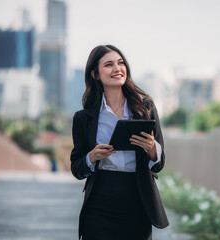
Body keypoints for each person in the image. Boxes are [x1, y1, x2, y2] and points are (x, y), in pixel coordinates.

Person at [70, 45, 169, 240]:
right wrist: (92, 157)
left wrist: (151, 149)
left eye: (120, 63)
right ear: (95, 74)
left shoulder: (145, 108)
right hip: (100, 203)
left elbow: (159, 163)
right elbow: (77, 168)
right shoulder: (83, 118)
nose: (117, 69)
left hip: (138, 200)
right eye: (109, 65)